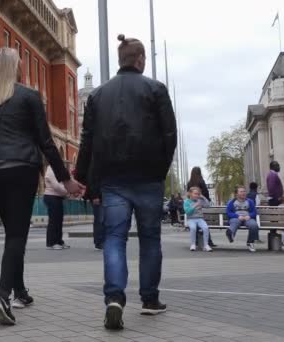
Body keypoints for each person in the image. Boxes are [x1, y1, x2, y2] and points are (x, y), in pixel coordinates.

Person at [0, 48, 84, 326]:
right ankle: (2, 295)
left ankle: (20, 291)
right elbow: (46, 142)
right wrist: (65, 178)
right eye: (21, 64)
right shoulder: (29, 97)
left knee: (12, 233)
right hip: (22, 169)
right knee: (17, 234)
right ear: (16, 69)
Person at [75, 34, 177, 330]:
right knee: (150, 240)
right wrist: (161, 169)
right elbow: (169, 135)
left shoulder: (98, 95)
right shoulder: (155, 89)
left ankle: (115, 298)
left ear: (121, 61)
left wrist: (81, 176)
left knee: (114, 239)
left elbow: (87, 141)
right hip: (148, 177)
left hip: (113, 179)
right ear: (141, 59)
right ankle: (149, 299)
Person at [186, 166, 217, 247]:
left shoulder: (189, 183)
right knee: (203, 223)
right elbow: (206, 192)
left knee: (195, 222)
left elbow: (188, 194)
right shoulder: (201, 181)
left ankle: (195, 241)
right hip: (201, 203)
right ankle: (209, 241)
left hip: (193, 204)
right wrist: (206, 200)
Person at [226, 186, 259, 253]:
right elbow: (228, 212)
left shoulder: (250, 201)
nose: (243, 193)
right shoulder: (232, 202)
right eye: (241, 191)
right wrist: (237, 216)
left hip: (247, 218)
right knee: (234, 222)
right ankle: (231, 234)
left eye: (244, 191)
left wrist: (249, 216)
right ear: (236, 194)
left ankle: (250, 242)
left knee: (254, 225)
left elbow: (254, 212)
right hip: (236, 218)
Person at [44, 166, 70, 250]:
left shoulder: (56, 169)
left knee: (59, 220)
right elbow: (56, 186)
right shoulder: (50, 170)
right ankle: (51, 242)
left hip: (57, 197)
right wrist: (67, 192)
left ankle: (59, 241)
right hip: (51, 196)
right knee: (54, 220)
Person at [183, 187, 212, 252]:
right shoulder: (186, 202)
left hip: (200, 219)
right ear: (190, 194)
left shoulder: (200, 200)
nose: (196, 195)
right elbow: (187, 212)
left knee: (205, 228)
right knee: (193, 228)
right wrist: (195, 206)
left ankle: (206, 245)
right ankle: (193, 244)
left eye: (198, 194)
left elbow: (208, 205)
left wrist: (203, 197)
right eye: (195, 194)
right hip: (191, 219)